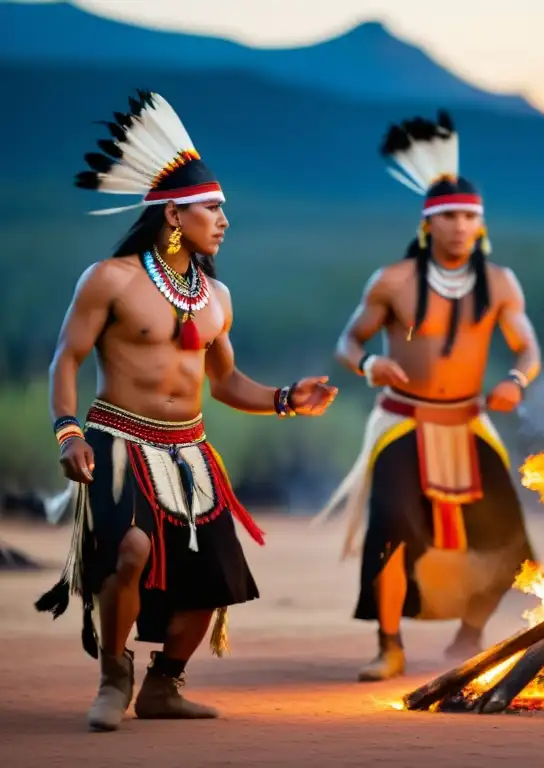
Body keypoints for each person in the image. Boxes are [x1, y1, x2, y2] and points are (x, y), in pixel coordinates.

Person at [35, 91, 338, 732]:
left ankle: (164, 686)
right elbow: (65, 359)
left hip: (191, 450)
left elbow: (226, 383)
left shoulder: (217, 295)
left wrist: (287, 399)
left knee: (212, 581)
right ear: (174, 214)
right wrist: (67, 433)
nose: (224, 220)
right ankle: (113, 676)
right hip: (117, 439)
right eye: (211, 209)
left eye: (222, 208)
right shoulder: (109, 279)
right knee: (132, 550)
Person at [313, 111, 541, 682]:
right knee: (391, 526)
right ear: (428, 225)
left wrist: (515, 382)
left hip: (469, 422)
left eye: (470, 217)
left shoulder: (502, 282)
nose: (461, 227)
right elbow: (348, 340)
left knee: (508, 536)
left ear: (481, 224)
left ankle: (471, 633)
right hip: (401, 422)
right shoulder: (391, 280)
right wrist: (369, 362)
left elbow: (527, 349)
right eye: (450, 218)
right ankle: (389, 646)